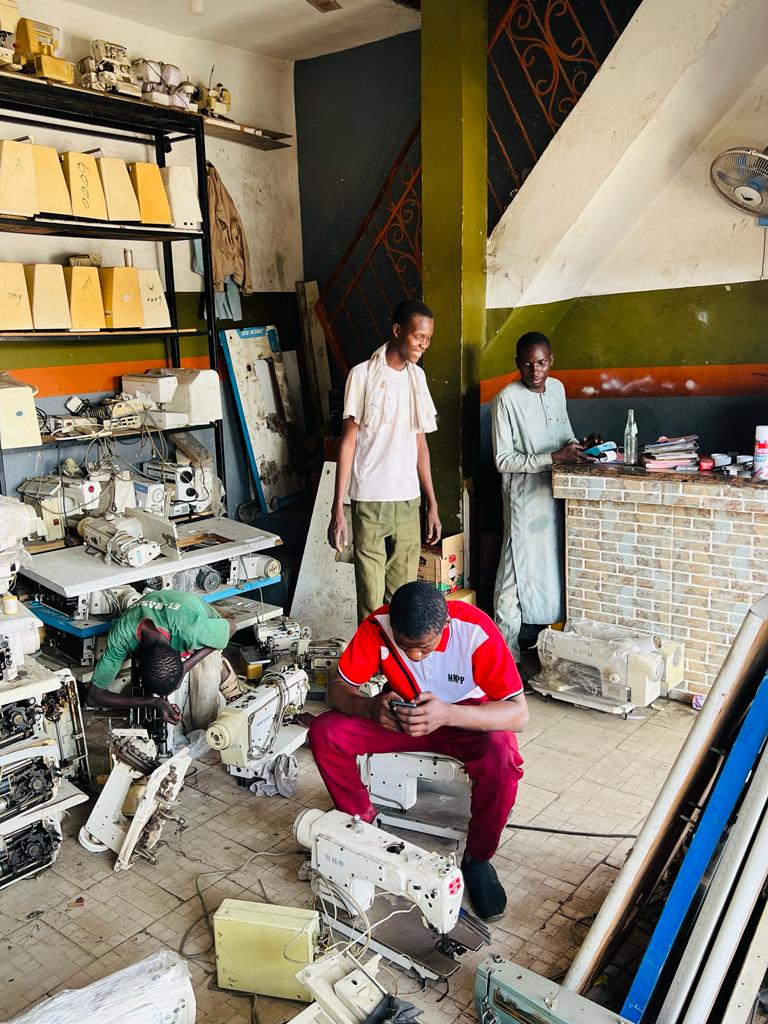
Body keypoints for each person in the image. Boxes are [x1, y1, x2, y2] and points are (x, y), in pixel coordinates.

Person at [309, 581, 527, 922]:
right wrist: (370, 708)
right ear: (393, 626)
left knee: (501, 754)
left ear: (445, 626)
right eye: (404, 645)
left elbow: (518, 714)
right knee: (326, 732)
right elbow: (337, 689)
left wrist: (447, 715)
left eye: (424, 647)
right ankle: (362, 826)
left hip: (463, 720)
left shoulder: (475, 631)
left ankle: (478, 858)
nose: (414, 655)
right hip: (402, 718)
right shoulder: (377, 626)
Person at [328, 299, 442, 623]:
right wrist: (338, 509)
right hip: (369, 500)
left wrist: (432, 503)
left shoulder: (417, 379)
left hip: (407, 501)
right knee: (370, 601)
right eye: (418, 336)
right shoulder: (362, 375)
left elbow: (421, 445)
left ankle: (395, 656)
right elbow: (348, 442)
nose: (424, 344)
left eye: (428, 338)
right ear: (397, 331)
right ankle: (371, 656)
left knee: (403, 601)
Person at [492, 331, 583, 663]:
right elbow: (503, 460)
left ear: (551, 361)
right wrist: (554, 457)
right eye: (528, 364)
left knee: (550, 570)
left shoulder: (557, 388)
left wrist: (578, 447)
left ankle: (550, 647)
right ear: (517, 364)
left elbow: (564, 433)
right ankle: (505, 656)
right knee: (514, 577)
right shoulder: (506, 400)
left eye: (542, 363)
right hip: (524, 502)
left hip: (555, 496)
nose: (535, 371)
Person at [86, 589, 238, 730]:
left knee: (202, 716)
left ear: (182, 651)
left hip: (205, 621)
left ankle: (225, 674)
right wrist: (154, 702)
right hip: (169, 612)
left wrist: (185, 668)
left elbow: (232, 628)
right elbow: (93, 697)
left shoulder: (192, 632)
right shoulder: (121, 635)